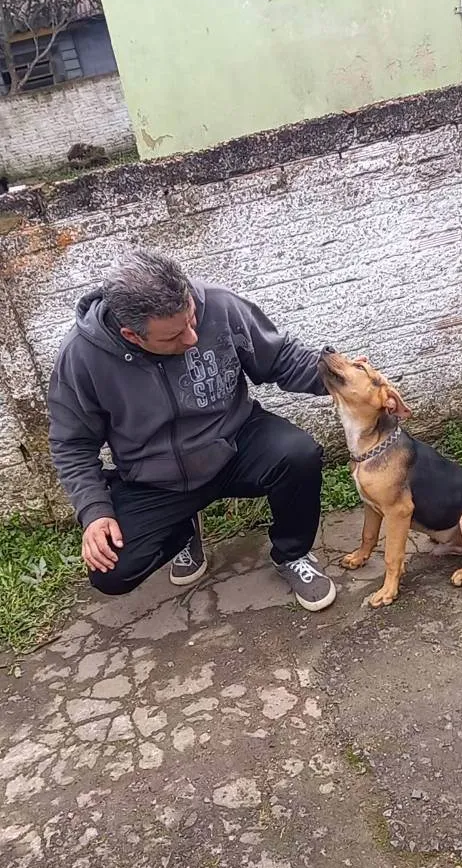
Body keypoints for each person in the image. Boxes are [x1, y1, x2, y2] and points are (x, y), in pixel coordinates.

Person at [48, 249, 337, 612]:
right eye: (172, 337)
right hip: (155, 479)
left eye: (191, 319)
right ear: (131, 335)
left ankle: (292, 554)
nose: (191, 339)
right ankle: (183, 529)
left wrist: (348, 379)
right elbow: (71, 444)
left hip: (233, 444)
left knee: (299, 454)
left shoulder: (218, 303)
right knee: (112, 571)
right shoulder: (80, 356)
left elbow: (279, 357)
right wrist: (94, 510)